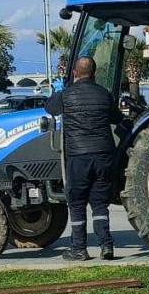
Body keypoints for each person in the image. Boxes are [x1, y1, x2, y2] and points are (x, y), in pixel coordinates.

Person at [45, 56, 121, 262]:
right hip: (103, 155)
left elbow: (49, 108)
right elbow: (117, 118)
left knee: (77, 203)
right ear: (94, 73)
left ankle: (79, 249)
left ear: (75, 73)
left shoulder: (66, 95)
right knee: (100, 204)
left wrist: (58, 90)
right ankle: (106, 246)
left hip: (78, 156)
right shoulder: (104, 94)